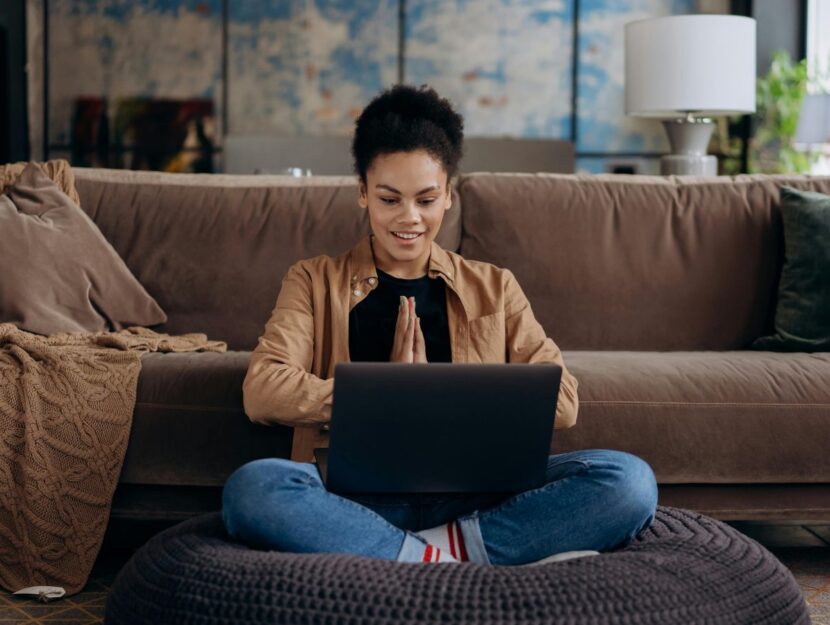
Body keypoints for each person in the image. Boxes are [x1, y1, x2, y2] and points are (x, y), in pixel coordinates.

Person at [221, 84, 658, 565]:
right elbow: (262, 389)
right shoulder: (312, 279)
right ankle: (453, 556)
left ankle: (412, 556)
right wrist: (382, 395)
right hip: (351, 498)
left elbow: (564, 402)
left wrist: (439, 395)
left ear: (448, 195)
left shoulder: (495, 286)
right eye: (390, 199)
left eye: (426, 200)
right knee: (253, 489)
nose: (409, 218)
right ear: (362, 193)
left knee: (629, 482)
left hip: (473, 498)